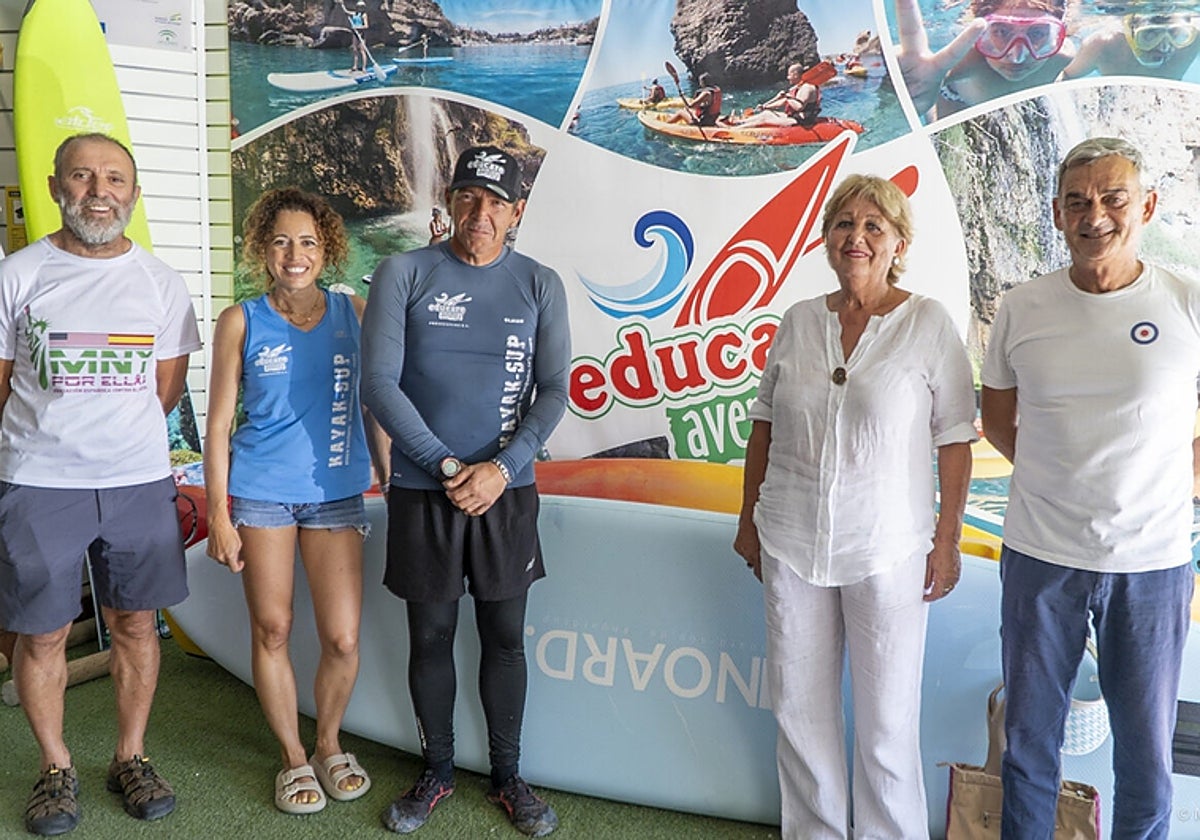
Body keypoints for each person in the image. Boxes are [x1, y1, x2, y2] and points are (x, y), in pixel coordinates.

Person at [733, 174, 976, 839]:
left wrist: (947, 540)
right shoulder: (798, 321)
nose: (857, 237)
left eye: (874, 226)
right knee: (798, 710)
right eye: (844, 223)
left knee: (887, 724)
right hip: (790, 541)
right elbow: (764, 426)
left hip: (887, 550)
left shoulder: (928, 323)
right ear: (826, 238)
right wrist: (749, 522)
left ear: (899, 243)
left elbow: (956, 440)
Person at [980, 137, 1200, 839]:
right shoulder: (1021, 307)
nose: (1094, 215)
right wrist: (1060, 476)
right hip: (1041, 556)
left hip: (1152, 563)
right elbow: (996, 419)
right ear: (1056, 214)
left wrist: (1172, 479)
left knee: (1146, 760)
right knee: (1028, 747)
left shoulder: (1187, 302)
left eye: (1113, 198)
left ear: (1148, 206)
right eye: (1077, 201)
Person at [362, 145, 570, 837]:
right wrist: (448, 467)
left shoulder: (539, 284)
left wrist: (501, 469)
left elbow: (555, 390)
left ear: (517, 211)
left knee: (505, 638)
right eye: (468, 197)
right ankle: (438, 771)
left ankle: (509, 777)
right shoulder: (403, 272)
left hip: (507, 491)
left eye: (496, 202)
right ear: (450, 201)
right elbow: (379, 384)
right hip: (425, 490)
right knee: (432, 635)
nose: (480, 213)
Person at [0, 132, 201, 835]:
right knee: (42, 633)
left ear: (133, 194)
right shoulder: (17, 275)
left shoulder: (161, 283)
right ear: (55, 188)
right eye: (82, 176)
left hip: (136, 481)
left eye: (114, 178)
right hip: (38, 481)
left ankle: (130, 755)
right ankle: (55, 766)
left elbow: (165, 390)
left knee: (136, 624)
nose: (98, 191)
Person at [204, 188, 388, 815]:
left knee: (342, 637)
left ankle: (329, 743)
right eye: (281, 241)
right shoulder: (241, 320)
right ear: (263, 248)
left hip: (336, 494)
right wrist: (219, 513)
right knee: (273, 628)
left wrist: (387, 473)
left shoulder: (354, 312)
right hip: (261, 494)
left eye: (307, 241)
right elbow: (219, 425)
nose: (294, 254)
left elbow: (375, 403)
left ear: (326, 248)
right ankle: (292, 757)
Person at [893, 0, 1074, 120]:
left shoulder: (1062, 57)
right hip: (957, 103)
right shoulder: (970, 60)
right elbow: (927, 77)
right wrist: (900, 84)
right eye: (1001, 32)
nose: (1017, 57)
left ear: (1056, 36)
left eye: (1037, 33)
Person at [1063, 11, 1200, 79]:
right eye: (1150, 34)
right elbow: (1063, 79)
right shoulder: (1102, 45)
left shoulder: (1193, 43)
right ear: (1129, 32)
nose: (1164, 47)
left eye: (1176, 34)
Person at [732, 63, 822, 128]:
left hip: (802, 121)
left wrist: (787, 97)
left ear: (795, 75)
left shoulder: (807, 88)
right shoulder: (799, 86)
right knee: (766, 113)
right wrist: (765, 106)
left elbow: (799, 107)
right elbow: (783, 102)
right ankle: (739, 122)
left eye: (789, 75)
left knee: (764, 120)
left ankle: (735, 130)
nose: (787, 78)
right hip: (794, 117)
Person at [347, 0, 369, 73]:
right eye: (359, 7)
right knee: (355, 50)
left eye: (361, 7)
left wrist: (357, 27)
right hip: (355, 33)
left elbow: (366, 26)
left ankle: (364, 68)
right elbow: (346, 11)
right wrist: (342, 4)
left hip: (361, 34)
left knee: (362, 50)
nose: (360, 8)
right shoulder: (354, 13)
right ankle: (355, 66)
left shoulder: (364, 15)